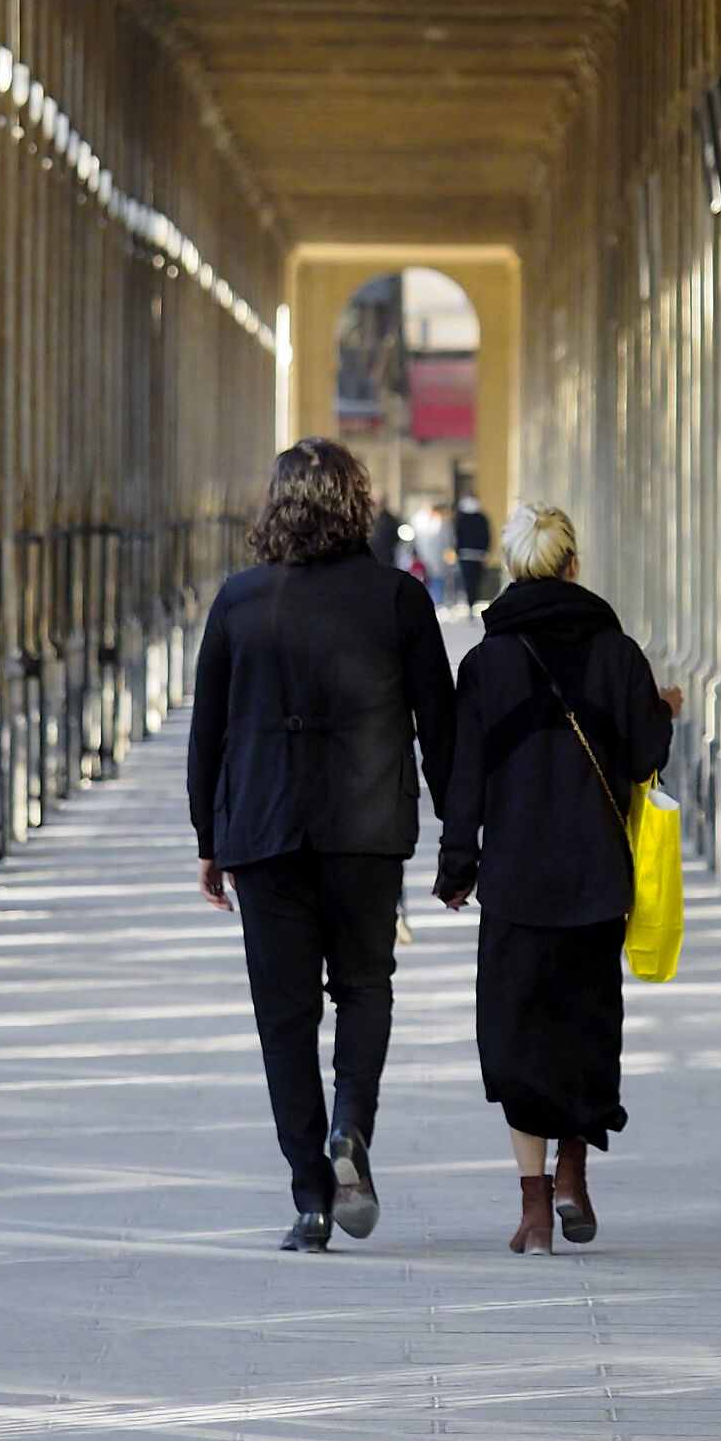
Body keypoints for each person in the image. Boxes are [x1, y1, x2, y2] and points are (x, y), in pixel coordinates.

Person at [189, 438, 457, 1252]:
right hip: (366, 831)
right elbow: (440, 729)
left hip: (265, 832)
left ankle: (310, 1194)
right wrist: (461, 841)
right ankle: (350, 1125)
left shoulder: (238, 601)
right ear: (359, 503)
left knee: (285, 1014)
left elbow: (209, 735)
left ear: (275, 506)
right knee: (366, 988)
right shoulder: (397, 601)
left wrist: (210, 837)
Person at [434, 503, 679, 1255]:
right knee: (584, 1032)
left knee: (516, 1040)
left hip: (516, 883)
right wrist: (663, 709)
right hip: (598, 880)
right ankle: (574, 1173)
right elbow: (645, 757)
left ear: (513, 569)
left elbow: (461, 779)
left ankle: (535, 1210)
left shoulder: (486, 665)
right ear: (574, 565)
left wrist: (456, 867)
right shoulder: (618, 653)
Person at [451, 493, 492, 611]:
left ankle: (470, 602)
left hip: (465, 555)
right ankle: (472, 602)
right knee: (476, 581)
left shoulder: (461, 518)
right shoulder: (482, 518)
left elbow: (457, 537)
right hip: (478, 555)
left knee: (468, 581)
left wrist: (457, 551)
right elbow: (487, 536)